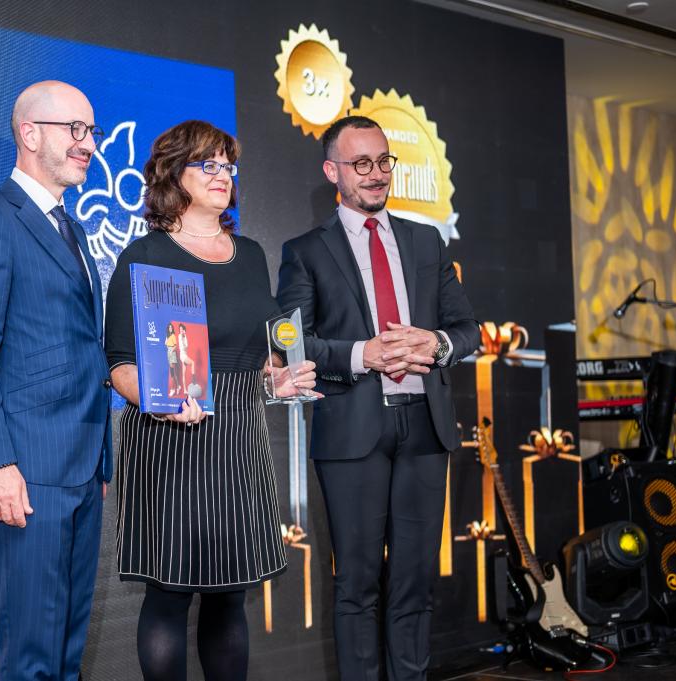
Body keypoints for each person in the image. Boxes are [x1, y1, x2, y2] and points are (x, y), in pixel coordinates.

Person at [105, 120, 318, 681]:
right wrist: (158, 402)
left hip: (239, 441)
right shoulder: (144, 255)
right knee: (169, 594)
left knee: (230, 594)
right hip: (170, 441)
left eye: (229, 165)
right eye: (210, 164)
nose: (224, 175)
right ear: (174, 172)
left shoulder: (249, 254)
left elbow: (258, 353)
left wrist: (278, 380)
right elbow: (119, 365)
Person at [276, 115, 480, 681]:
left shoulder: (425, 241)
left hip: (426, 428)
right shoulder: (306, 251)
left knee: (414, 583)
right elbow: (289, 341)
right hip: (353, 430)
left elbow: (468, 330)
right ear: (332, 171)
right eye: (361, 163)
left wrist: (436, 343)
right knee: (357, 585)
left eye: (383, 161)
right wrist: (361, 354)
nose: (375, 174)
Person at [0, 80, 112, 681]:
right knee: (31, 656)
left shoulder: (74, 230)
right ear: (29, 133)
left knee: (66, 652)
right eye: (76, 129)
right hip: (27, 469)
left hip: (82, 466)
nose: (88, 144)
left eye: (91, 131)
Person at [166, 322, 180, 396]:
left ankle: (173, 389)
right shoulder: (168, 336)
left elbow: (175, 346)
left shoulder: (173, 336)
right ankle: (178, 386)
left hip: (172, 353)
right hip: (169, 353)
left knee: (172, 373)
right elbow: (166, 344)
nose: (170, 328)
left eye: (171, 327)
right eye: (169, 327)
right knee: (174, 372)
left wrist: (171, 351)